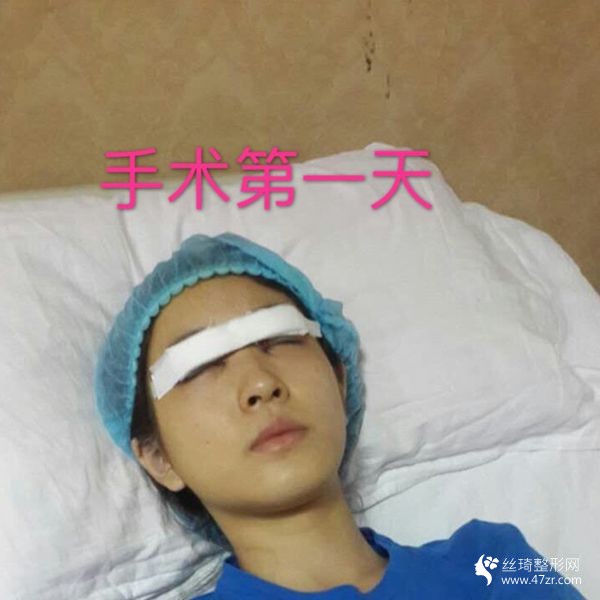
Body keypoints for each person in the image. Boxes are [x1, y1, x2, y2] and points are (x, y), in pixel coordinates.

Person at [95, 233, 586, 599]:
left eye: (281, 338)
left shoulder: (495, 563)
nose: (261, 384)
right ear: (158, 458)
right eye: (200, 366)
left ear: (339, 379)